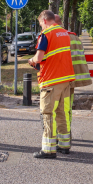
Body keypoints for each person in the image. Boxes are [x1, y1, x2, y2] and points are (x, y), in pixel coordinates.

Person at [28, 10, 75, 159]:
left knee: (47, 113)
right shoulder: (64, 33)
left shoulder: (46, 34)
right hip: (65, 79)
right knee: (62, 112)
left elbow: (40, 57)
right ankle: (64, 145)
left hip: (51, 80)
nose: (41, 26)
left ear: (44, 20)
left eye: (41, 23)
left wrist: (32, 60)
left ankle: (48, 150)